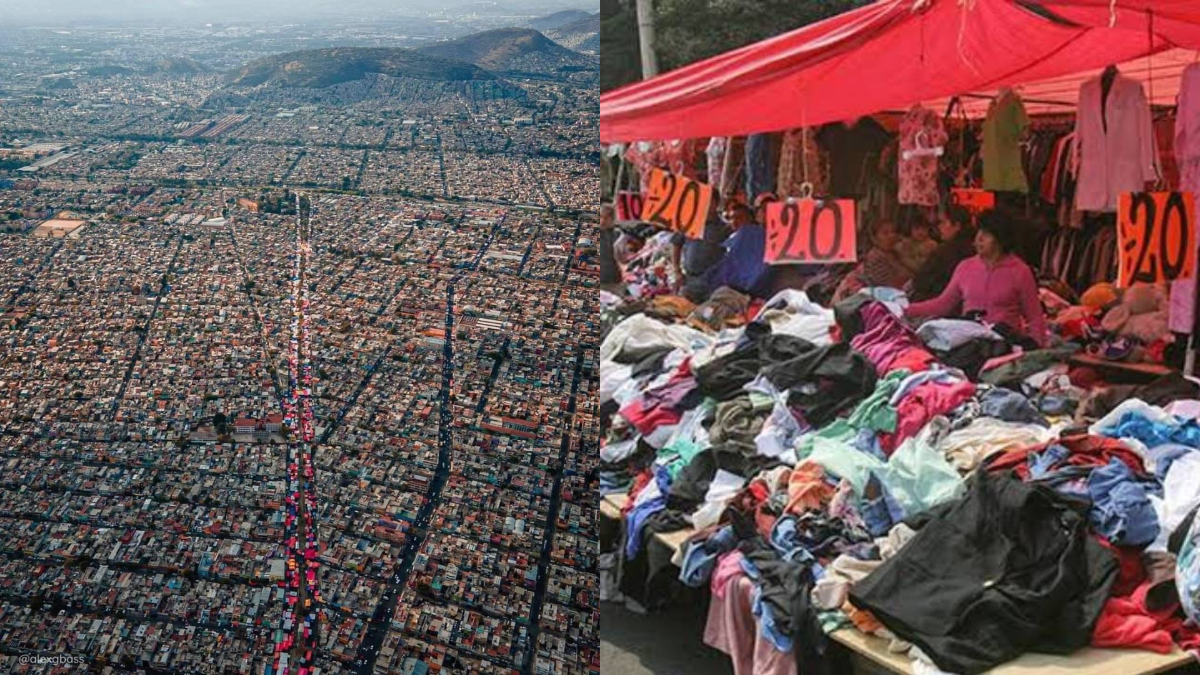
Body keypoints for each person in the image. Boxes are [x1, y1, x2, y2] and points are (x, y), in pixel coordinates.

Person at [905, 210, 1049, 346]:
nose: (979, 238)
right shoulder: (965, 267)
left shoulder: (1020, 271)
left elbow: (1035, 317)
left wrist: (1038, 349)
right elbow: (943, 304)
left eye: (986, 234)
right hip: (969, 346)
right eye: (979, 232)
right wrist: (904, 309)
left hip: (1004, 346)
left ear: (1001, 238)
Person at [832, 219, 912, 302]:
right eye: (885, 233)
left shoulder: (895, 253)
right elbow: (889, 285)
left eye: (894, 232)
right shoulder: (876, 257)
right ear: (875, 238)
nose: (891, 236)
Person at [909, 205, 976, 302]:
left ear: (956, 225)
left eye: (943, 222)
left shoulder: (946, 251)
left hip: (935, 303)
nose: (939, 227)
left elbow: (921, 281)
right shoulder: (974, 248)